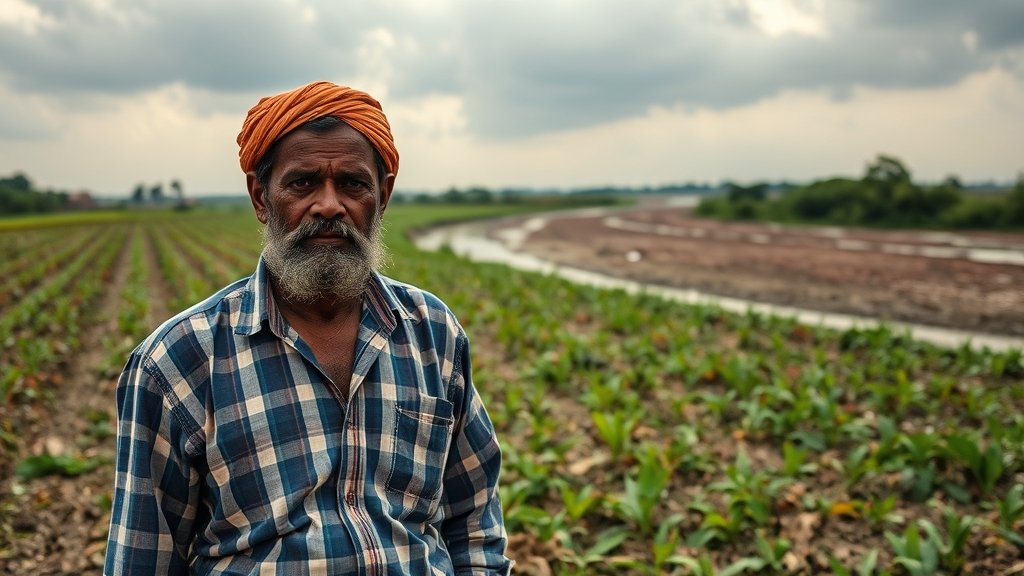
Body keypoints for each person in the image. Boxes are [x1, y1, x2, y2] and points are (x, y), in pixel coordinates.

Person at [104, 81, 512, 575]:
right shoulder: (178, 362)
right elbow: (142, 560)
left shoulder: (433, 333)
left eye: (353, 184)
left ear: (381, 198)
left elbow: (474, 521)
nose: (329, 206)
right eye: (302, 184)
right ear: (261, 196)